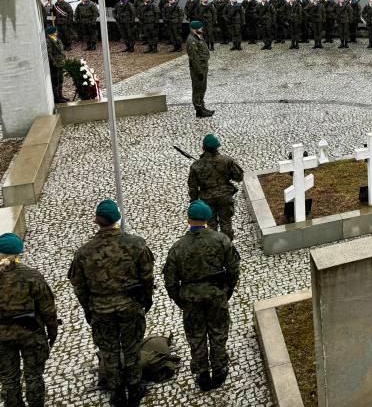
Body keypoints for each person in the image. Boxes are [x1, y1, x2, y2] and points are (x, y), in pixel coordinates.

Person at [68, 199, 154, 407]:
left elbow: (79, 286)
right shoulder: (136, 244)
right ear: (118, 219)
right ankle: (134, 387)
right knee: (132, 347)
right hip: (130, 306)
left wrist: (89, 308)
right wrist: (146, 299)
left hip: (100, 309)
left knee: (110, 350)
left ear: (96, 221)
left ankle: (116, 391)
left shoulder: (84, 252)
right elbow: (147, 276)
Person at [162, 200, 240, 392]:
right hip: (216, 295)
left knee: (196, 336)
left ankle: (202, 374)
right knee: (218, 331)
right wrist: (225, 292)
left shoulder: (177, 247)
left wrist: (181, 300)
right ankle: (219, 368)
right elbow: (233, 270)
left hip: (190, 299)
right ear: (207, 219)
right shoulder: (221, 240)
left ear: (188, 219)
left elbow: (170, 281)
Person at [0, 231, 59, 407]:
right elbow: (47, 308)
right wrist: (52, 331)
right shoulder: (31, 276)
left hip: (2, 338)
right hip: (31, 334)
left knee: (8, 378)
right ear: (19, 252)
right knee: (34, 376)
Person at [187, 134, 243, 241]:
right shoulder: (227, 161)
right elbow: (239, 177)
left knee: (210, 225)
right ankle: (227, 246)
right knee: (226, 223)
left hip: (207, 199)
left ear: (203, 148)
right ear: (217, 147)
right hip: (225, 197)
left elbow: (193, 187)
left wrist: (194, 203)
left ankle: (213, 245)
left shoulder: (196, 166)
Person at [187, 21, 214, 118]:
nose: (202, 29)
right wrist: (199, 71)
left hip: (203, 66)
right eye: (200, 28)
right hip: (197, 69)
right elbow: (194, 58)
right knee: (197, 89)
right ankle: (199, 110)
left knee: (203, 88)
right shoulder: (192, 41)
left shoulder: (198, 37)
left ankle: (202, 106)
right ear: (194, 29)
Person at [44, 26, 67, 104]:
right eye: (55, 32)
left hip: (60, 62)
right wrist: (54, 63)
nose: (56, 33)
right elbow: (49, 54)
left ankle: (60, 95)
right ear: (51, 33)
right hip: (55, 64)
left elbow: (61, 50)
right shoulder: (49, 41)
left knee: (60, 80)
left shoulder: (57, 40)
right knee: (55, 81)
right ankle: (56, 97)